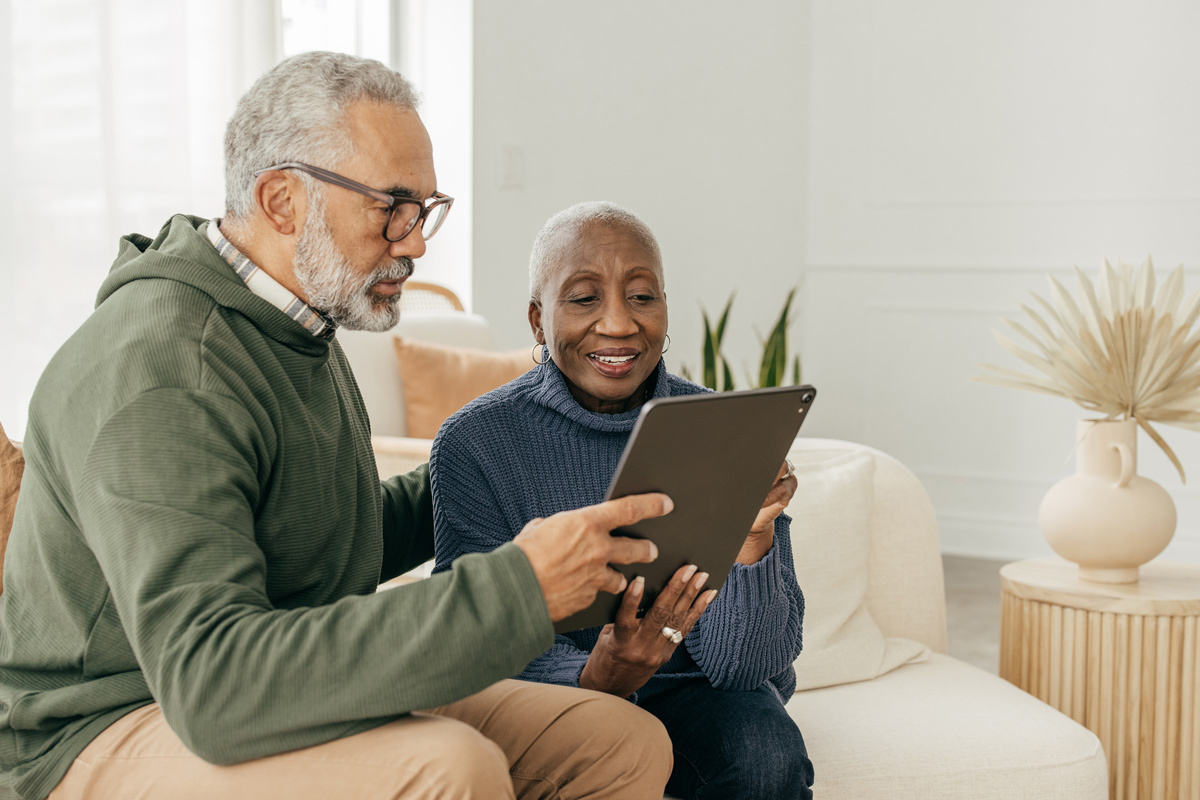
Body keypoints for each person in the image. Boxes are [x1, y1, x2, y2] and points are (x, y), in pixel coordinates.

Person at [0, 53, 680, 800]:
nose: (415, 241)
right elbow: (213, 683)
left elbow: (321, 539)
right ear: (282, 200)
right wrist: (518, 588)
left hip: (281, 679)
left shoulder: (295, 326)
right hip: (107, 722)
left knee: (618, 743)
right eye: (390, 205)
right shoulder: (164, 368)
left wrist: (508, 459)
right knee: (450, 768)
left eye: (423, 208)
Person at [431, 201, 816, 800]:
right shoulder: (477, 441)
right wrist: (597, 675)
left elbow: (750, 667)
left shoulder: (722, 426)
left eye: (642, 297)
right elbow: (470, 640)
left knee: (767, 754)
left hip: (695, 689)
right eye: (584, 299)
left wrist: (754, 539)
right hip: (556, 695)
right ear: (538, 319)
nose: (618, 324)